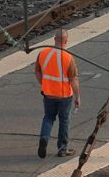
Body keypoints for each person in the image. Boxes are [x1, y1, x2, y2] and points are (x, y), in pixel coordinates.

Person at [35, 29, 81, 158]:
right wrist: (78, 96)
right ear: (66, 41)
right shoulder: (68, 58)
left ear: (54, 39)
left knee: (48, 117)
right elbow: (73, 80)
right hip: (64, 96)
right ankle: (62, 148)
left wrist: (44, 84)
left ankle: (44, 138)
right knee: (64, 120)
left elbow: (38, 72)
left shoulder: (43, 53)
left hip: (48, 94)